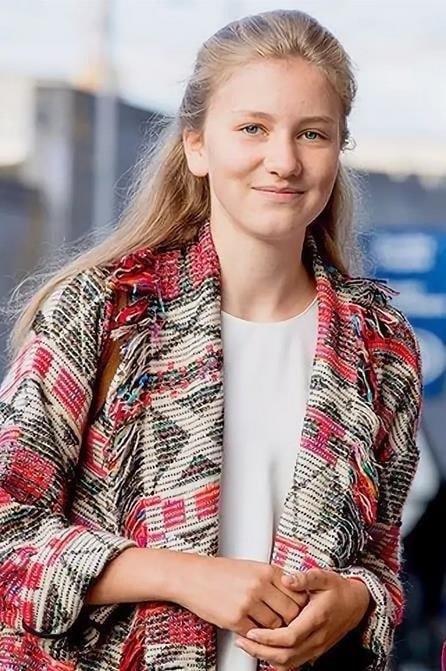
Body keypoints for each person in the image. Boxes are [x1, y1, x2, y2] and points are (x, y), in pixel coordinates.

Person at [0, 9, 422, 671]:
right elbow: (8, 536)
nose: (283, 161)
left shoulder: (379, 344)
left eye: (312, 133)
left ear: (339, 151)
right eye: (252, 127)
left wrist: (357, 597)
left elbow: (383, 559)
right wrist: (182, 575)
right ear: (197, 146)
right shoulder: (105, 310)